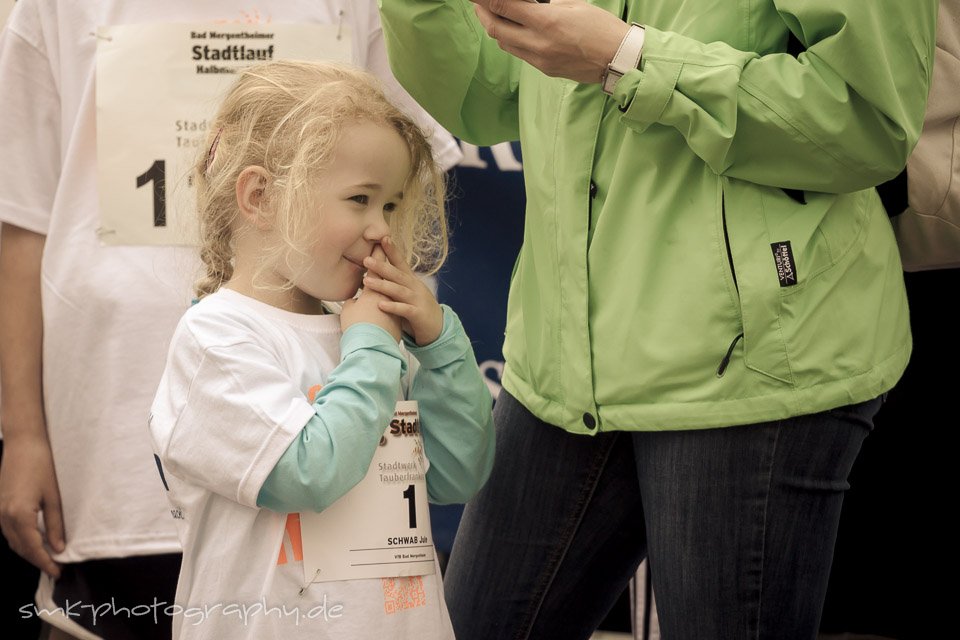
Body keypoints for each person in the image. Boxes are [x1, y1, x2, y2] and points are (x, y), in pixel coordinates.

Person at [377, 0, 938, 638]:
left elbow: (865, 119)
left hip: (745, 364)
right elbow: (486, 95)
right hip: (565, 361)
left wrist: (629, 58)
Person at [0, 2, 460, 638]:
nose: (379, 221)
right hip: (110, 423)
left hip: (346, 402)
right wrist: (24, 434)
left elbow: (400, 164)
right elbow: (24, 220)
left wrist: (409, 337)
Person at [147, 59, 494, 640]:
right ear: (259, 197)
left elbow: (458, 474)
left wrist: (439, 343)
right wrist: (373, 348)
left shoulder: (366, 335)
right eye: (360, 199)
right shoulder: (217, 339)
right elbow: (308, 472)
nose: (382, 228)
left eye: (390, 205)